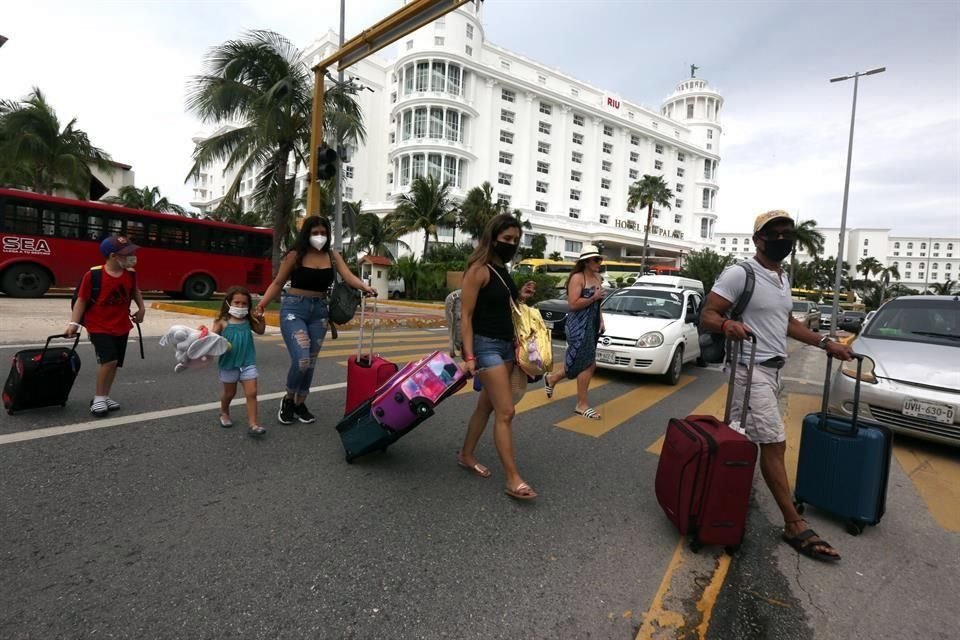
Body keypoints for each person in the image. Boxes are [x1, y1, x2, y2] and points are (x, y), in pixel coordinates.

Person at [701, 210, 855, 562]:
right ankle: (793, 522)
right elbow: (708, 314)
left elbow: (788, 323)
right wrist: (726, 326)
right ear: (758, 239)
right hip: (748, 369)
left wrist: (825, 343)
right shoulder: (741, 273)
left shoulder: (782, 278)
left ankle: (721, 500)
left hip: (773, 371)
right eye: (775, 233)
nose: (783, 238)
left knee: (742, 439)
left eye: (788, 232)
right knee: (773, 442)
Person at [256, 216, 376, 425]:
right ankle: (288, 399)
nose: (319, 236)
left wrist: (365, 287)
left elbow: (348, 276)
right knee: (301, 359)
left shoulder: (332, 256)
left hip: (319, 311)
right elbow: (277, 283)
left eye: (323, 232)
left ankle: (300, 403)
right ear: (306, 234)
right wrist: (262, 305)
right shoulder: (295, 255)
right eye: (315, 233)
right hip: (294, 309)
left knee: (310, 361)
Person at [458, 214, 538, 500]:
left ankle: (466, 455)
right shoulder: (478, 270)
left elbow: (503, 306)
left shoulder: (502, 269)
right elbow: (466, 315)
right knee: (506, 412)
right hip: (486, 347)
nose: (512, 244)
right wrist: (469, 356)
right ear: (492, 238)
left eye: (515, 240)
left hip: (506, 346)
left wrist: (521, 296)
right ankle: (513, 479)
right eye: (507, 239)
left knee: (486, 407)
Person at [65, 235, 145, 417]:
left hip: (122, 325)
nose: (132, 256)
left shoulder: (130, 274)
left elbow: (135, 291)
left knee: (115, 364)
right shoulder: (93, 275)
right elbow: (81, 300)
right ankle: (99, 398)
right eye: (127, 253)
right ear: (112, 256)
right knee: (109, 361)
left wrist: (141, 308)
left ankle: (105, 396)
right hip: (98, 326)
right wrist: (74, 324)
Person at [542, 245, 606, 419]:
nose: (599, 263)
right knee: (588, 363)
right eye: (596, 259)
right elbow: (573, 304)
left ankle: (552, 379)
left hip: (592, 324)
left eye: (599, 259)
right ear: (586, 262)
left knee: (581, 361)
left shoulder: (597, 277)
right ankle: (581, 405)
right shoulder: (578, 278)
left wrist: (601, 319)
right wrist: (593, 297)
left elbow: (597, 304)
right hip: (578, 325)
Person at [213, 286, 266, 437]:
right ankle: (224, 411)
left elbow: (261, 330)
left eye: (244, 303)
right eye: (236, 303)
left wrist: (261, 319)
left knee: (252, 392)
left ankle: (253, 425)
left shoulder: (249, 320)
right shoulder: (222, 322)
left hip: (247, 363)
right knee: (230, 393)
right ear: (228, 303)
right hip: (228, 364)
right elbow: (211, 340)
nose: (240, 306)